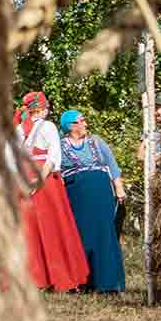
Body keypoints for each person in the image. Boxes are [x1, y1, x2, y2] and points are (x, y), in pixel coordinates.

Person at [16, 92, 90, 292]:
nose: (48, 110)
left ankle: (33, 278)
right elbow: (53, 156)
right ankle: (59, 277)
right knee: (54, 228)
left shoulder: (18, 129)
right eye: (47, 107)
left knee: (29, 230)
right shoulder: (48, 126)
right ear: (40, 109)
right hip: (45, 181)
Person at [57, 109, 127, 294]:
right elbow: (55, 170)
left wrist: (119, 188)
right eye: (81, 121)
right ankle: (81, 281)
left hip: (101, 193)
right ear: (71, 126)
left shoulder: (96, 142)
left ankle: (108, 283)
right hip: (77, 197)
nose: (85, 124)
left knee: (105, 234)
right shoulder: (60, 146)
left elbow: (112, 166)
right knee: (81, 235)